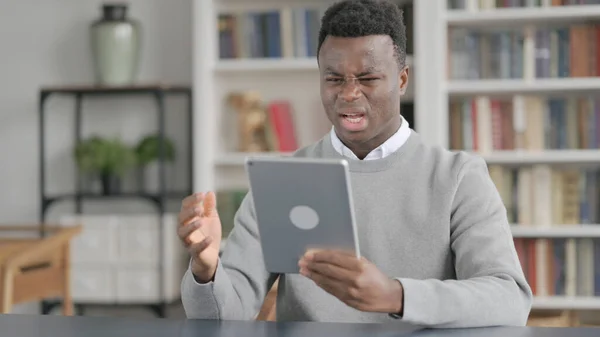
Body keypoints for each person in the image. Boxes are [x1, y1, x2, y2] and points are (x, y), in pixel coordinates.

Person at [178, 0, 532, 328]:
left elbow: (509, 299)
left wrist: (395, 295)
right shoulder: (284, 179)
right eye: (334, 78)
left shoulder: (458, 177)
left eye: (367, 78)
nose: (348, 93)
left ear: (402, 80)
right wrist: (207, 268)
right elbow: (222, 317)